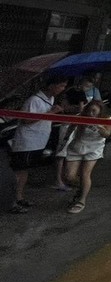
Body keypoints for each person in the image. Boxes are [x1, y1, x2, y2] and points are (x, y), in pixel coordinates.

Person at [7, 76, 66, 214]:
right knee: (18, 171)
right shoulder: (34, 100)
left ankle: (19, 197)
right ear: (51, 85)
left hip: (38, 141)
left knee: (25, 171)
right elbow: (26, 120)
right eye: (61, 85)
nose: (62, 89)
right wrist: (51, 112)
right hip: (27, 142)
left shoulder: (50, 99)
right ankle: (10, 201)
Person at [64, 100, 111, 214]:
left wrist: (98, 125)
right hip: (77, 146)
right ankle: (81, 187)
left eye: (94, 111)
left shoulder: (107, 119)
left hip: (94, 148)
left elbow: (107, 134)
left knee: (85, 174)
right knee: (69, 176)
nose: (91, 113)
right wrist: (66, 137)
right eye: (89, 110)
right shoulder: (81, 116)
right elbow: (71, 127)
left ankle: (82, 200)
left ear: (100, 111)